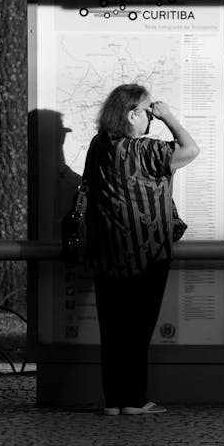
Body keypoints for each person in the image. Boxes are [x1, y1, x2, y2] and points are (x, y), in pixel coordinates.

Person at [83, 83, 199, 416]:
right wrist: (169, 118)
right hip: (147, 254)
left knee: (113, 330)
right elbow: (190, 150)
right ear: (132, 113)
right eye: (148, 111)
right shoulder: (146, 150)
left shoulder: (99, 145)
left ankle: (113, 400)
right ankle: (134, 400)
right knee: (137, 329)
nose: (151, 116)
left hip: (106, 252)